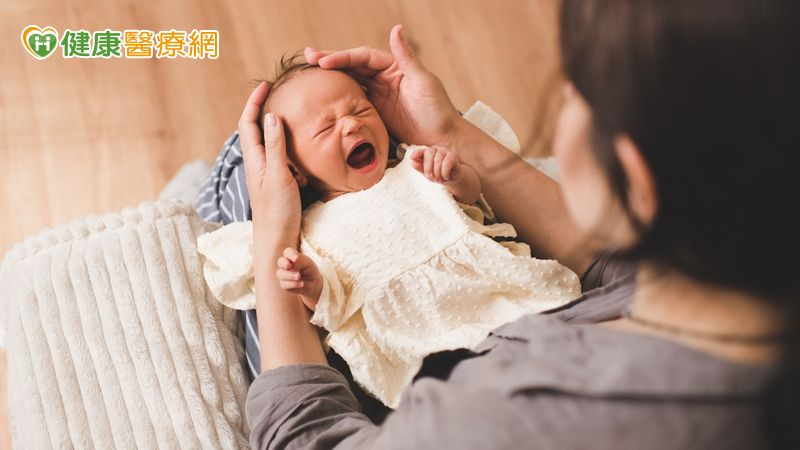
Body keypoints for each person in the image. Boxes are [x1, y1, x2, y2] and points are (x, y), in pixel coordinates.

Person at [239, 0, 799, 448]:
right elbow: (625, 275)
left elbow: (304, 434)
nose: (353, 122)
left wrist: (271, 238)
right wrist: (450, 132)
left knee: (232, 168)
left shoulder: (501, 421)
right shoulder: (729, 301)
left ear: (633, 174)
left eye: (578, 90)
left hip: (422, 355)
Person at [199, 56, 580, 408]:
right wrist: (310, 282)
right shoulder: (309, 229)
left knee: (550, 333)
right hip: (412, 338)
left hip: (493, 295)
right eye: (326, 127)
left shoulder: (414, 165)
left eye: (360, 109)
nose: (351, 124)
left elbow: (476, 207)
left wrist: (454, 175)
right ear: (294, 171)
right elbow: (334, 305)